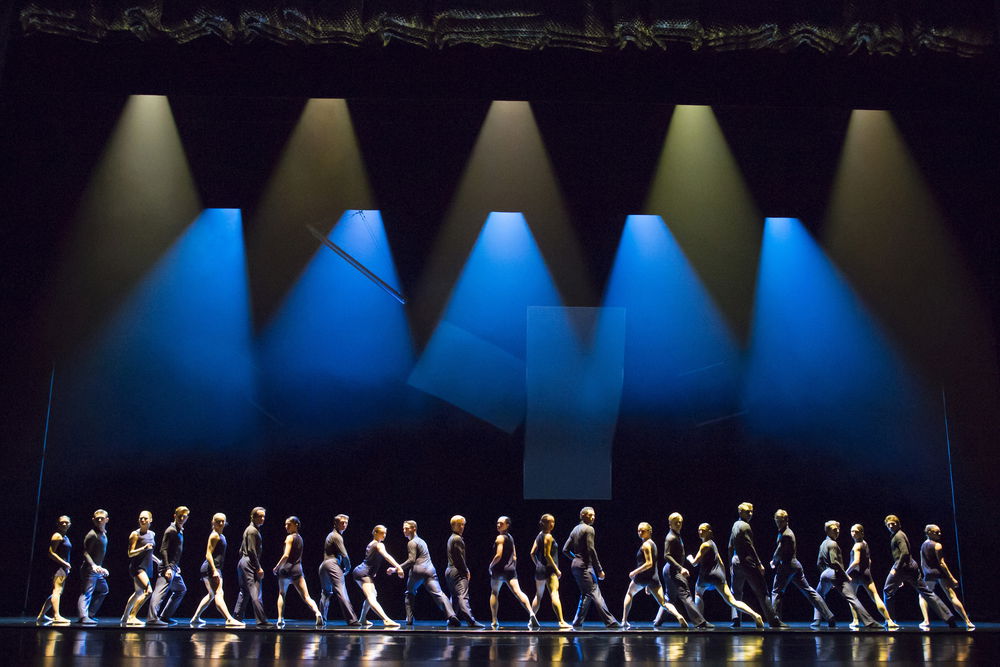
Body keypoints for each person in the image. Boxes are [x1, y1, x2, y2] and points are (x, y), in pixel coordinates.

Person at [882, 515, 956, 628]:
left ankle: (890, 621)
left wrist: (896, 570)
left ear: (898, 524)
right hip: (911, 566)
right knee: (926, 592)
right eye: (889, 525)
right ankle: (948, 617)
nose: (891, 526)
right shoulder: (898, 535)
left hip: (903, 567)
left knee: (887, 591)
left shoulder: (898, 536)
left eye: (893, 524)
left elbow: (905, 553)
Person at [690, 523, 763, 628]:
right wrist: (723, 578)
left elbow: (694, 563)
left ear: (709, 532)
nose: (700, 532)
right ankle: (755, 615)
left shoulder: (704, 545)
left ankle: (700, 622)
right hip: (718, 576)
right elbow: (721, 562)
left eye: (703, 530)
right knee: (732, 601)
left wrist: (689, 558)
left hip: (706, 576)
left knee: (698, 594)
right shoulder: (713, 544)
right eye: (699, 530)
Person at [769, 509, 834, 626]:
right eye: (776, 521)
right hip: (795, 566)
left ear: (786, 520)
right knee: (809, 591)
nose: (778, 523)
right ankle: (829, 616)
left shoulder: (786, 534)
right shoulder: (785, 532)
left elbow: (779, 551)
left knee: (776, 592)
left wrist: (773, 561)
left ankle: (774, 620)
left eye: (780, 521)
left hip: (787, 565)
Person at [815, 520, 882, 630]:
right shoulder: (833, 544)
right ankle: (870, 622)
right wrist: (845, 576)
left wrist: (824, 573)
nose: (837, 532)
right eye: (834, 530)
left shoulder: (823, 543)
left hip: (825, 573)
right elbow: (834, 563)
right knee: (852, 598)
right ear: (827, 531)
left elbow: (819, 562)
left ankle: (820, 619)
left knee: (818, 595)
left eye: (838, 530)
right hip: (834, 573)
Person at [621, 522, 687, 629]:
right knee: (663, 603)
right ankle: (678, 615)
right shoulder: (653, 544)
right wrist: (648, 585)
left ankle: (624, 620)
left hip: (642, 577)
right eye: (638, 530)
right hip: (653, 578)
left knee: (629, 593)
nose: (640, 532)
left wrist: (634, 572)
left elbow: (649, 563)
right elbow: (653, 565)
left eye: (642, 530)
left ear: (649, 531)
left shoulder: (646, 545)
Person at [562, 506, 620, 628]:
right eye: (590, 515)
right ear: (582, 515)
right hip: (585, 566)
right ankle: (610, 621)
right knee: (594, 591)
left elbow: (565, 550)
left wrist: (575, 559)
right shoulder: (589, 529)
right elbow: (591, 550)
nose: (593, 517)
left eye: (594, 515)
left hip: (576, 566)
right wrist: (599, 569)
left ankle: (577, 622)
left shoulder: (575, 529)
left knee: (586, 593)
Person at [728, 502, 784, 628]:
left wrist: (730, 563)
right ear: (740, 512)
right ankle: (773, 621)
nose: (750, 514)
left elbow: (730, 546)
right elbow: (749, 546)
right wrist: (759, 564)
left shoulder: (735, 525)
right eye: (748, 511)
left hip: (735, 561)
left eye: (751, 511)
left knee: (736, 592)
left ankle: (736, 619)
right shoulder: (745, 526)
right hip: (746, 561)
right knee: (762, 591)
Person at [399, 520, 461, 626]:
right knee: (438, 594)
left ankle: (409, 619)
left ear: (414, 528)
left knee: (410, 593)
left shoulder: (411, 542)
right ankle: (451, 615)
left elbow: (411, 560)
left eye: (407, 528)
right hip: (430, 570)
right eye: (403, 528)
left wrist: (397, 568)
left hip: (418, 570)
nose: (404, 530)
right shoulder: (422, 541)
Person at [654, 512, 709, 629]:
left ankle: (657, 621)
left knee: (670, 597)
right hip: (672, 571)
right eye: (676, 522)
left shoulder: (676, 535)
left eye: (680, 522)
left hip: (671, 570)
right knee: (686, 594)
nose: (679, 524)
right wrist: (681, 568)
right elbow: (666, 556)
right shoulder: (670, 537)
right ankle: (700, 622)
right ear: (670, 524)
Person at [189, 513, 244, 627]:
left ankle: (195, 618)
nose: (221, 523)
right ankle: (229, 619)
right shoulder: (214, 535)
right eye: (218, 521)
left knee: (211, 595)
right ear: (213, 522)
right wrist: (214, 570)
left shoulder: (220, 535)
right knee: (219, 593)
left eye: (223, 521)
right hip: (211, 569)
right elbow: (208, 554)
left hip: (212, 568)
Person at [488, 516, 539, 629]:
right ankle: (531, 612)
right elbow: (515, 557)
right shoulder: (510, 538)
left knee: (494, 593)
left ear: (507, 525)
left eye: (501, 523)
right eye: (497, 523)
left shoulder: (500, 538)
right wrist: (512, 567)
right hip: (510, 570)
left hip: (498, 570)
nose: (498, 525)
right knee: (518, 592)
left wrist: (491, 566)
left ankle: (494, 620)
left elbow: (498, 555)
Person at [920, 524, 974, 630]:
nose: (939, 534)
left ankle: (926, 620)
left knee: (923, 596)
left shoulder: (923, 545)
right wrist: (951, 577)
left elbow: (922, 562)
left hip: (929, 574)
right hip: (939, 573)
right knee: (952, 596)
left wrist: (924, 573)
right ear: (929, 532)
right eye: (936, 532)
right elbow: (941, 563)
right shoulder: (937, 545)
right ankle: (967, 621)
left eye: (939, 531)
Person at [273, 516, 324, 627]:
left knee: (282, 594)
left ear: (296, 525)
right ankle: (317, 612)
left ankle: (280, 618)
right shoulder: (300, 538)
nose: (286, 527)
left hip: (286, 569)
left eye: (289, 524)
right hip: (297, 570)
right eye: (285, 524)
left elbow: (286, 555)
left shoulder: (289, 538)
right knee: (307, 597)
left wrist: (277, 567)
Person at [351, 524, 404, 627]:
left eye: (385, 533)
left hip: (362, 572)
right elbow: (386, 556)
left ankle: (362, 619)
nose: (384, 535)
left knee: (372, 594)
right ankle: (386, 619)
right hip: (363, 573)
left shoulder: (372, 544)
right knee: (371, 596)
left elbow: (372, 560)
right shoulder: (378, 545)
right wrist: (398, 567)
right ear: (375, 533)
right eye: (382, 533)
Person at [846, 524, 897, 629]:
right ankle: (889, 620)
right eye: (852, 531)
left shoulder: (857, 546)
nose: (853, 533)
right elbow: (869, 560)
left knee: (853, 598)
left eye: (856, 531)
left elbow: (856, 562)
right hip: (865, 574)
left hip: (855, 575)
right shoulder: (865, 544)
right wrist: (867, 570)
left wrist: (846, 573)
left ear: (862, 533)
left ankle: (856, 620)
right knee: (875, 597)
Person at [147, 506, 189, 626]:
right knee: (160, 592)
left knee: (181, 589)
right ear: (174, 516)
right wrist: (168, 567)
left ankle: (165, 616)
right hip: (167, 567)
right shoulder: (170, 530)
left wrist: (175, 565)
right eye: (179, 516)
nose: (181, 518)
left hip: (173, 567)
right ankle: (152, 618)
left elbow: (175, 551)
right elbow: (163, 550)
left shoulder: (179, 530)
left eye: (184, 516)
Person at [529, 514, 571, 629]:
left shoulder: (539, 536)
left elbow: (532, 553)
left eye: (553, 521)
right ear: (543, 523)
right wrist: (556, 569)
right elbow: (547, 555)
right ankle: (561, 621)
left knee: (538, 595)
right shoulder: (548, 536)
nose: (552, 524)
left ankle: (531, 618)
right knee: (554, 593)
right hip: (550, 570)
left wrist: (538, 565)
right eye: (549, 522)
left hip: (540, 570)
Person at [233, 507, 271, 627]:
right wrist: (258, 567)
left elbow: (241, 550)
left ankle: (237, 617)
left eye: (263, 516)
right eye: (260, 516)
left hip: (243, 562)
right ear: (253, 517)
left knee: (244, 591)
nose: (262, 518)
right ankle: (261, 620)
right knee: (256, 591)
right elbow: (251, 550)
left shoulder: (250, 530)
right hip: (249, 562)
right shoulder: (252, 531)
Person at [319, 514, 360, 625]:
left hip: (323, 566)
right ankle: (352, 620)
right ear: (335, 523)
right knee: (341, 591)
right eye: (341, 522)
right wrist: (348, 567)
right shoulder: (336, 536)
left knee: (326, 593)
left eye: (346, 522)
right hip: (332, 564)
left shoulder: (330, 535)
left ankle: (321, 618)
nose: (344, 524)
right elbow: (344, 555)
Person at [445, 515, 485, 628]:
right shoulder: (457, 539)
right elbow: (459, 558)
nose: (462, 527)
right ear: (453, 526)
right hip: (457, 570)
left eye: (463, 524)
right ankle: (470, 621)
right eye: (459, 524)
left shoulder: (451, 538)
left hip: (449, 571)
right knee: (463, 595)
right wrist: (466, 570)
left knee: (454, 596)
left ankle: (452, 619)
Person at [121, 510, 157, 627]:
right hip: (137, 567)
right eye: (141, 518)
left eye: (145, 518)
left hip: (147, 566)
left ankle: (125, 616)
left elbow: (150, 553)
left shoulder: (152, 534)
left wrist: (159, 562)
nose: (142, 520)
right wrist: (143, 548)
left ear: (150, 520)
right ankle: (132, 616)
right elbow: (130, 553)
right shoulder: (135, 534)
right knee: (148, 591)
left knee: (138, 593)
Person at [36, 515, 72, 625]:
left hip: (62, 567)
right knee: (58, 590)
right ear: (58, 524)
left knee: (55, 592)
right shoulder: (57, 536)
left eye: (66, 522)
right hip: (58, 567)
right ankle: (56, 615)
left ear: (70, 524)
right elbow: (51, 553)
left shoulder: (65, 536)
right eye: (62, 522)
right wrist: (65, 563)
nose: (64, 524)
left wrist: (66, 566)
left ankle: (41, 615)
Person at [77, 510, 110, 625]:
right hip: (89, 569)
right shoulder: (92, 535)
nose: (99, 520)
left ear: (107, 520)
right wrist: (94, 565)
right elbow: (85, 553)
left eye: (102, 518)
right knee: (86, 593)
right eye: (97, 519)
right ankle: (83, 617)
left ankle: (90, 613)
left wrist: (100, 567)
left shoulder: (103, 533)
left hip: (97, 569)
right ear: (93, 520)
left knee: (104, 590)